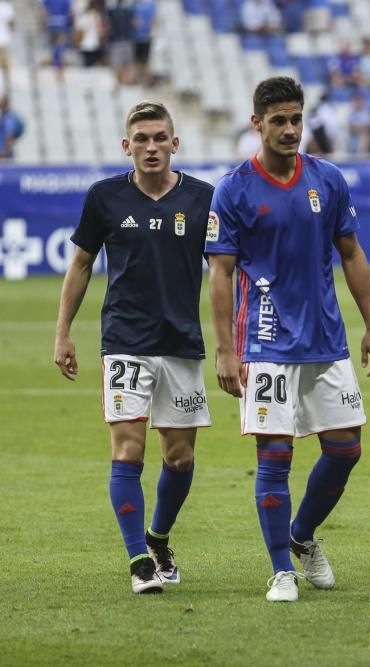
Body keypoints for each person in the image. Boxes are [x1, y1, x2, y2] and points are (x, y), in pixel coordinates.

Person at [206, 76, 370, 602]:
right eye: (278, 120)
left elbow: (352, 254)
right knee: (275, 456)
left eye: (296, 119)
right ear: (256, 122)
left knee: (346, 449)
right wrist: (224, 348)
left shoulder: (327, 180)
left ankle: (301, 536)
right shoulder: (233, 188)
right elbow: (220, 273)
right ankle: (281, 569)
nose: (289, 130)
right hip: (264, 341)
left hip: (327, 338)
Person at [54, 101, 214, 595]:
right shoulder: (103, 197)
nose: (150, 147)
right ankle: (138, 561)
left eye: (159, 138)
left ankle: (158, 537)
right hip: (124, 341)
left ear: (174, 143)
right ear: (127, 146)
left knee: (181, 459)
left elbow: (227, 271)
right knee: (128, 449)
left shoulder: (204, 198)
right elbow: (80, 265)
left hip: (182, 343)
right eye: (141, 139)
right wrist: (63, 333)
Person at [0, 94, 24, 159]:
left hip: (4, 155)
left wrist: (5, 151)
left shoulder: (9, 117)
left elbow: (10, 134)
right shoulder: (4, 116)